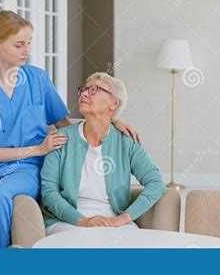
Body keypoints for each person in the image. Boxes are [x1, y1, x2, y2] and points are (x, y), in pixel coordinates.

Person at [0, 10, 139, 248]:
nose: (27, 51)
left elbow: (64, 124)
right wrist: (38, 148)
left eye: (29, 43)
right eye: (19, 45)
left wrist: (110, 121)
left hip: (25, 168)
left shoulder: (37, 79)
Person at [41, 72, 166, 235]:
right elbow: (49, 191)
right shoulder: (61, 138)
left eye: (94, 90)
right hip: (67, 221)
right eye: (84, 89)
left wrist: (124, 218)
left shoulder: (126, 141)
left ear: (114, 103)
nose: (84, 93)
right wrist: (83, 221)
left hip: (113, 222)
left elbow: (156, 184)